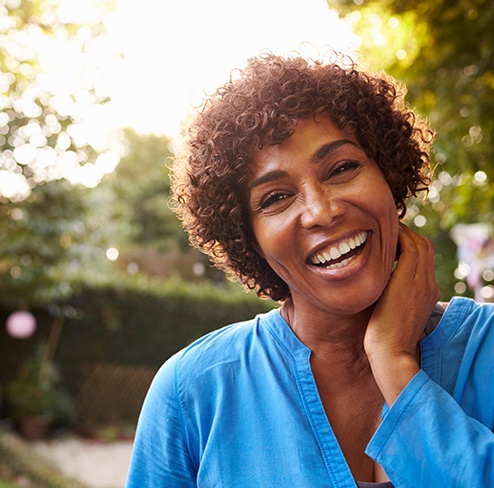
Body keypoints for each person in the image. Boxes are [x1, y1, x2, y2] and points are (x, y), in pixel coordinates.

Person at [125, 51, 494, 487]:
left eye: (342, 168)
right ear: (249, 239)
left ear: (389, 176)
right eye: (275, 198)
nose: (321, 211)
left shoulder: (486, 348)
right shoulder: (193, 393)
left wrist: (394, 364)